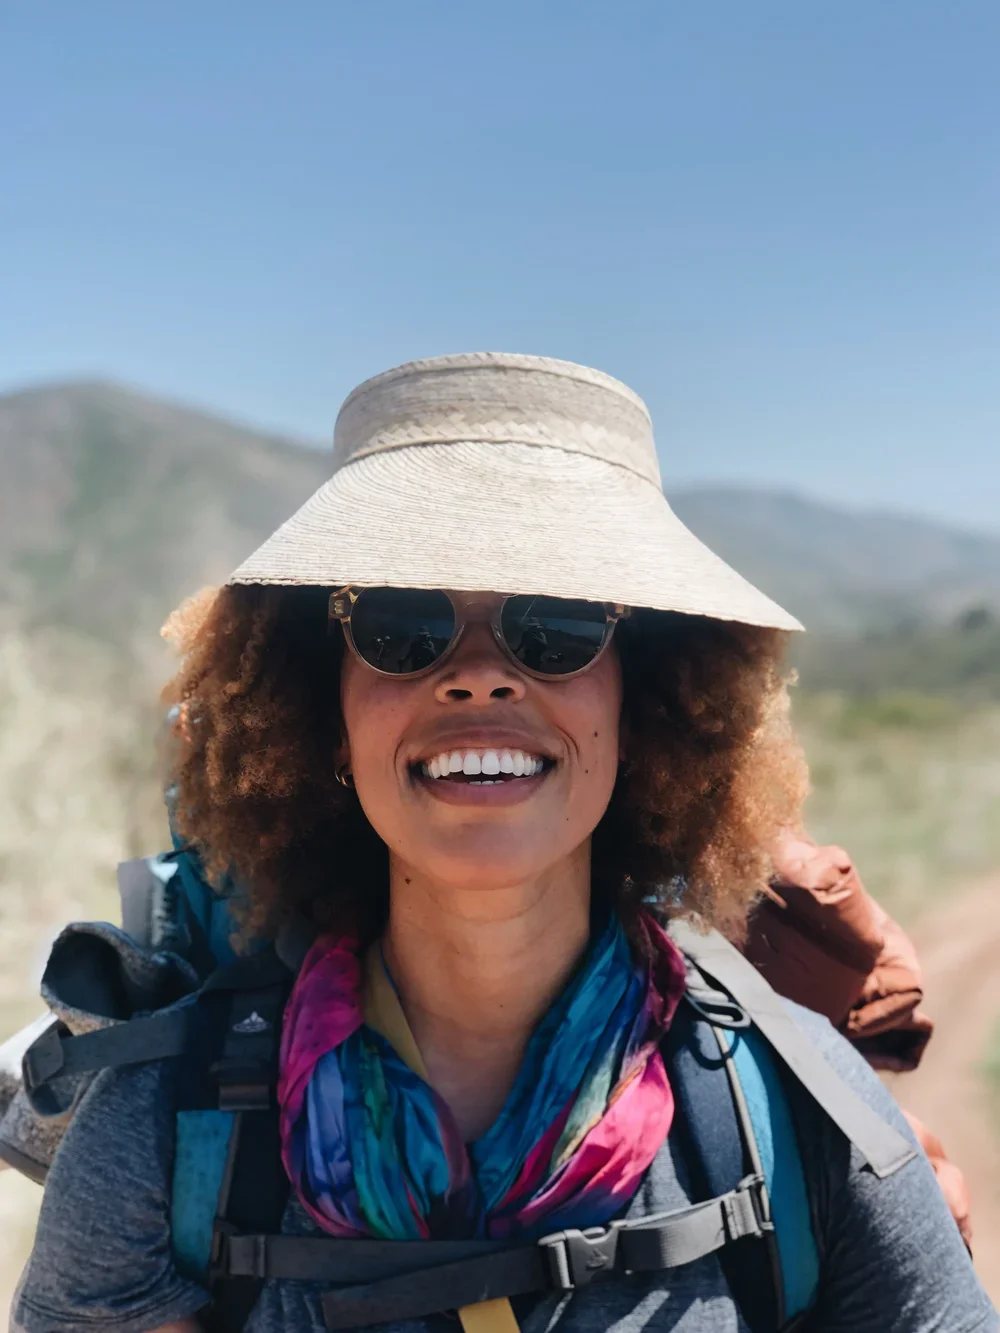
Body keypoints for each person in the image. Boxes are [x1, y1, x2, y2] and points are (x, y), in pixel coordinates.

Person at [12, 354, 995, 1333]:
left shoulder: (788, 1112)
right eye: (402, 626)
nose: (479, 677)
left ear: (642, 701)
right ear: (327, 708)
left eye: (556, 626)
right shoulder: (166, 1128)